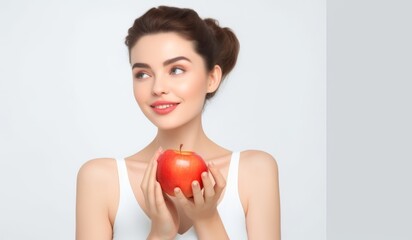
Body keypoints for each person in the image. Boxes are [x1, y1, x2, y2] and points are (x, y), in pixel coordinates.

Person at [76, 5, 281, 240]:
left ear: (212, 78)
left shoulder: (254, 171)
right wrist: (160, 233)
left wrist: (207, 219)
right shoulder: (100, 179)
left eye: (176, 69)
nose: (158, 88)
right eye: (142, 74)